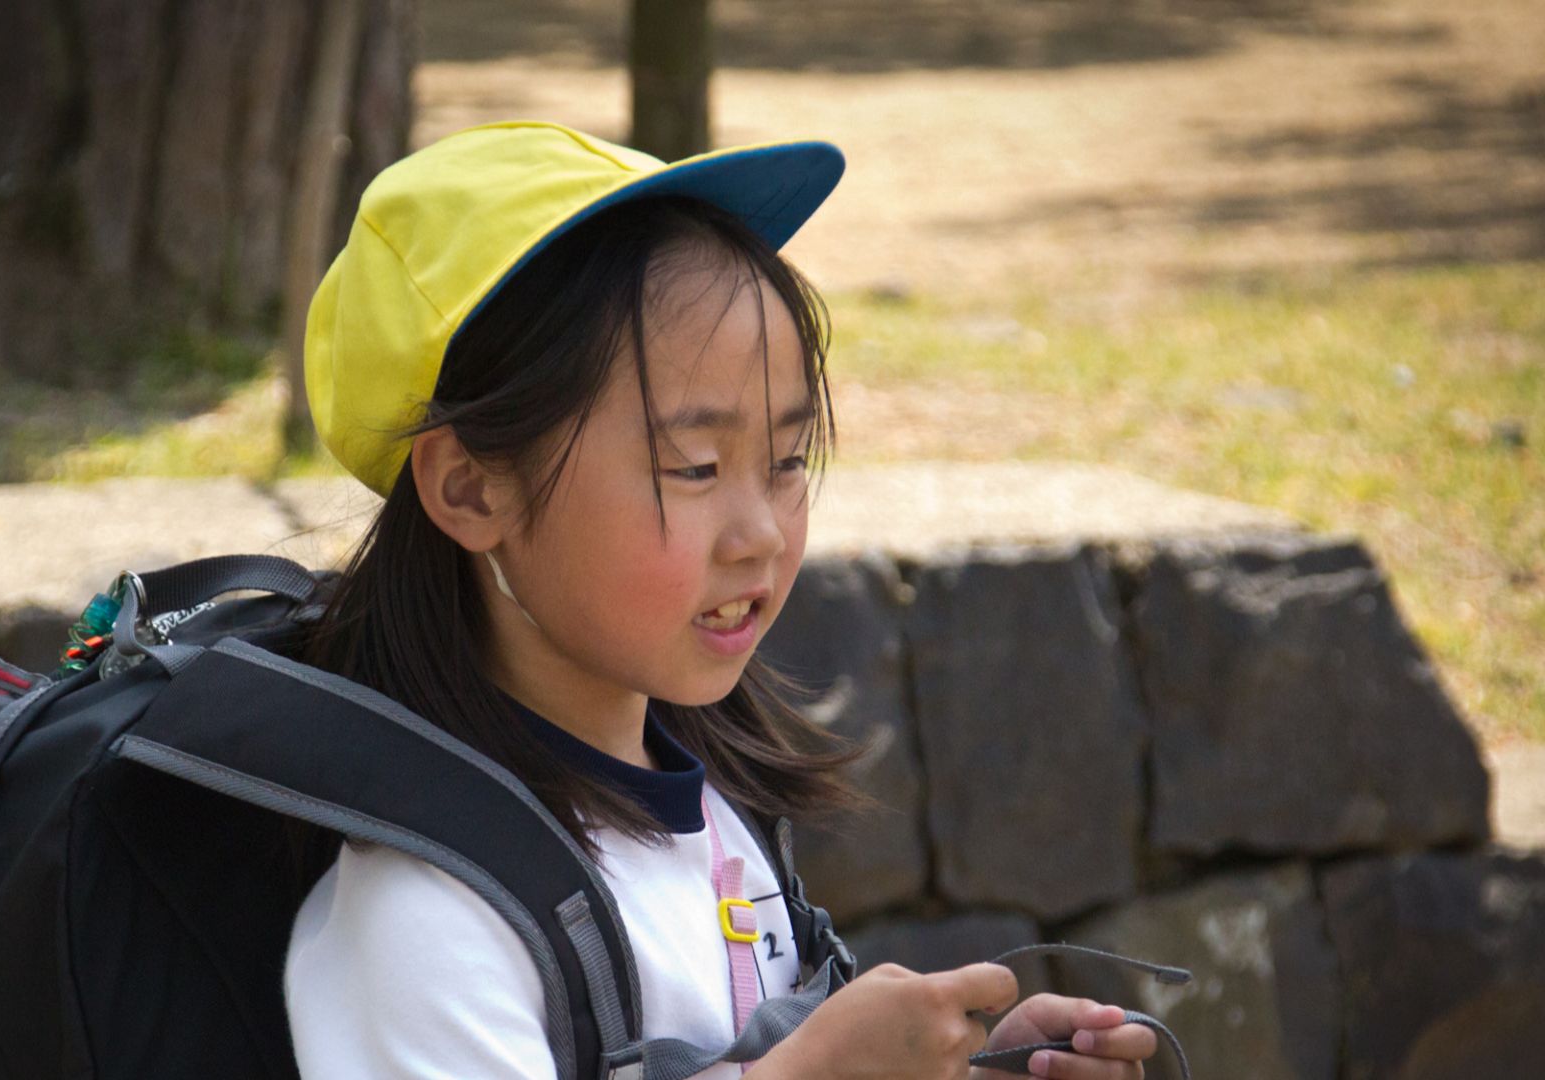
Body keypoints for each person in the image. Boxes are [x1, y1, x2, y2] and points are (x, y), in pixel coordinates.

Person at [283, 119, 1159, 1080]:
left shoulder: (705, 803)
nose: (764, 534)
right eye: (694, 468)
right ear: (471, 490)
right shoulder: (425, 916)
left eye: (786, 461)